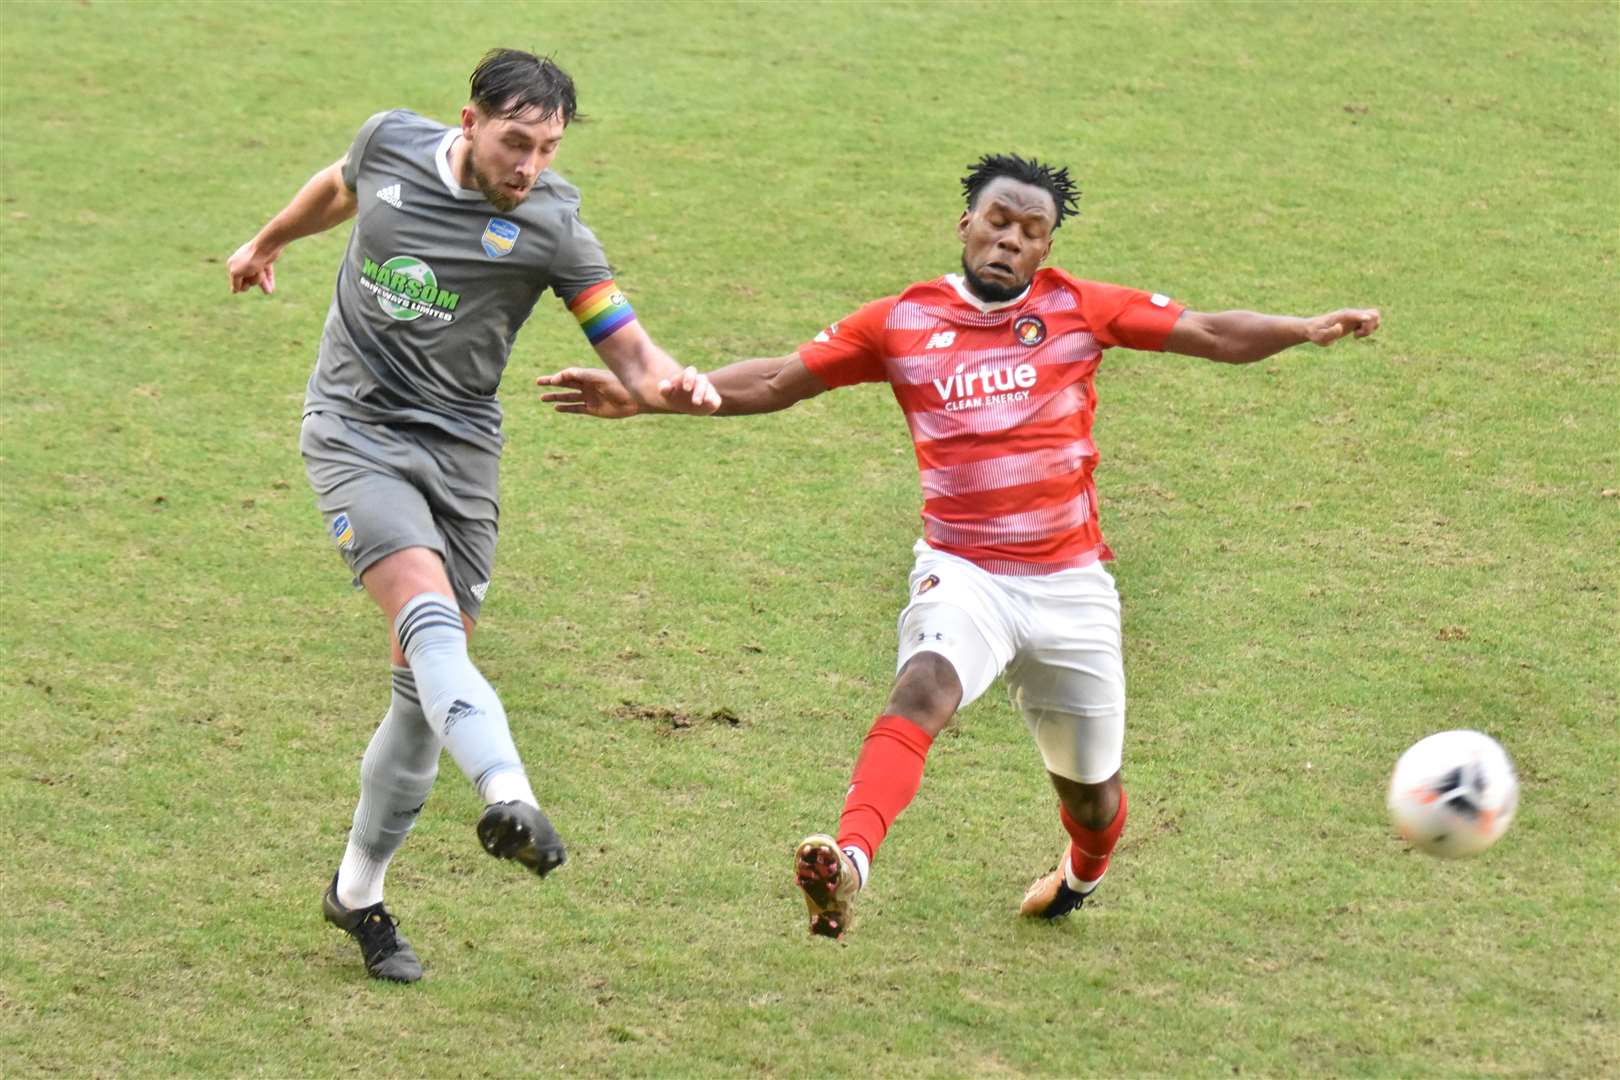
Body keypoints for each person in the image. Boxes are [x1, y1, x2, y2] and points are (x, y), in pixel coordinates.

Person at [537, 153, 1380, 940]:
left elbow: (1212, 331)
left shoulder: (1078, 308)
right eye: (997, 221)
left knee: (1093, 798)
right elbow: (775, 380)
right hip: (965, 570)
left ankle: (1080, 877)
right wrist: (652, 396)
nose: (1010, 240)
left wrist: (1301, 329)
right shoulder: (902, 322)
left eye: (1030, 231)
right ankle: (851, 862)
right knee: (923, 689)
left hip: (1071, 586)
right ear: (965, 224)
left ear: (1047, 245)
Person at [226, 48, 720, 981]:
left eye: (548, 148)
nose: (529, 166)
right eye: (515, 141)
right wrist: (269, 241)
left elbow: (629, 345)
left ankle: (357, 892)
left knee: (420, 699)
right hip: (353, 432)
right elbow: (340, 187)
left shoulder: (552, 228)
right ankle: (512, 796)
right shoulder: (391, 143)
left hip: (460, 459)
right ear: (469, 121)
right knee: (430, 621)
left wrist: (667, 387)